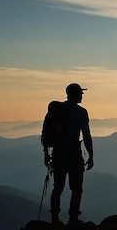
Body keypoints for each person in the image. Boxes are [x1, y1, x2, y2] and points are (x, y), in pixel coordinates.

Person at [46, 83, 94, 226]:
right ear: (76, 94)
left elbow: (46, 133)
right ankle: (73, 218)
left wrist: (46, 156)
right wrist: (90, 155)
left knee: (57, 187)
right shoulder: (80, 112)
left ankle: (55, 218)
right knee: (77, 187)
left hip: (57, 153)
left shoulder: (56, 110)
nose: (82, 96)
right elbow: (86, 135)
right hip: (73, 153)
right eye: (80, 93)